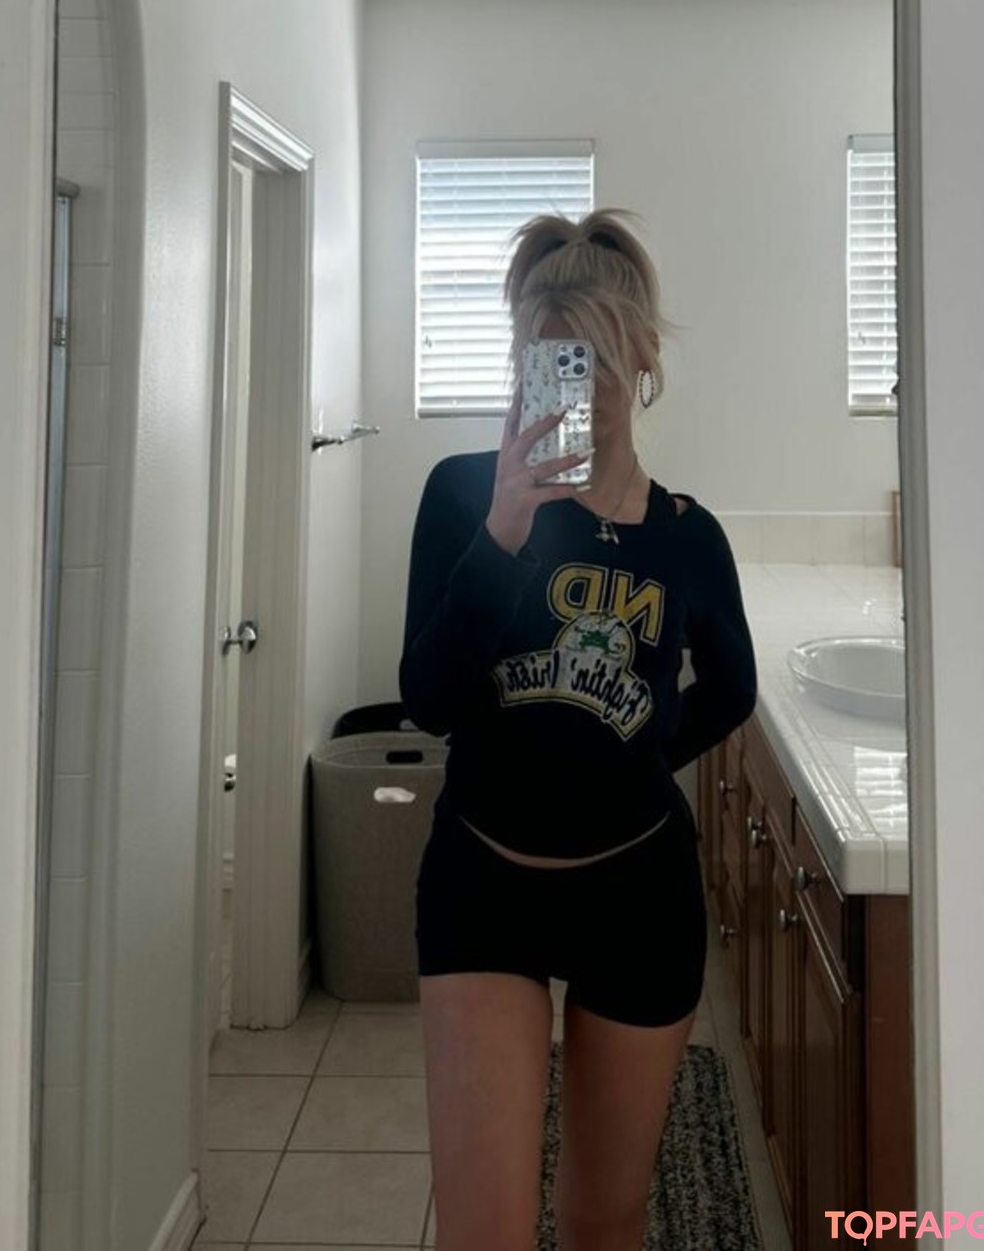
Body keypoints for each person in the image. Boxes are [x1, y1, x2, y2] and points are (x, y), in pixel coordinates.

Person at [399, 209, 757, 1251]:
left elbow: (731, 691)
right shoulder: (463, 495)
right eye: (551, 357)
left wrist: (635, 756)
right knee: (485, 1231)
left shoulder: (689, 538)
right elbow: (428, 698)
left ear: (641, 355)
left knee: (604, 1218)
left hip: (638, 894)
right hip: (483, 884)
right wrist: (503, 531)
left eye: (596, 356)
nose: (578, 385)